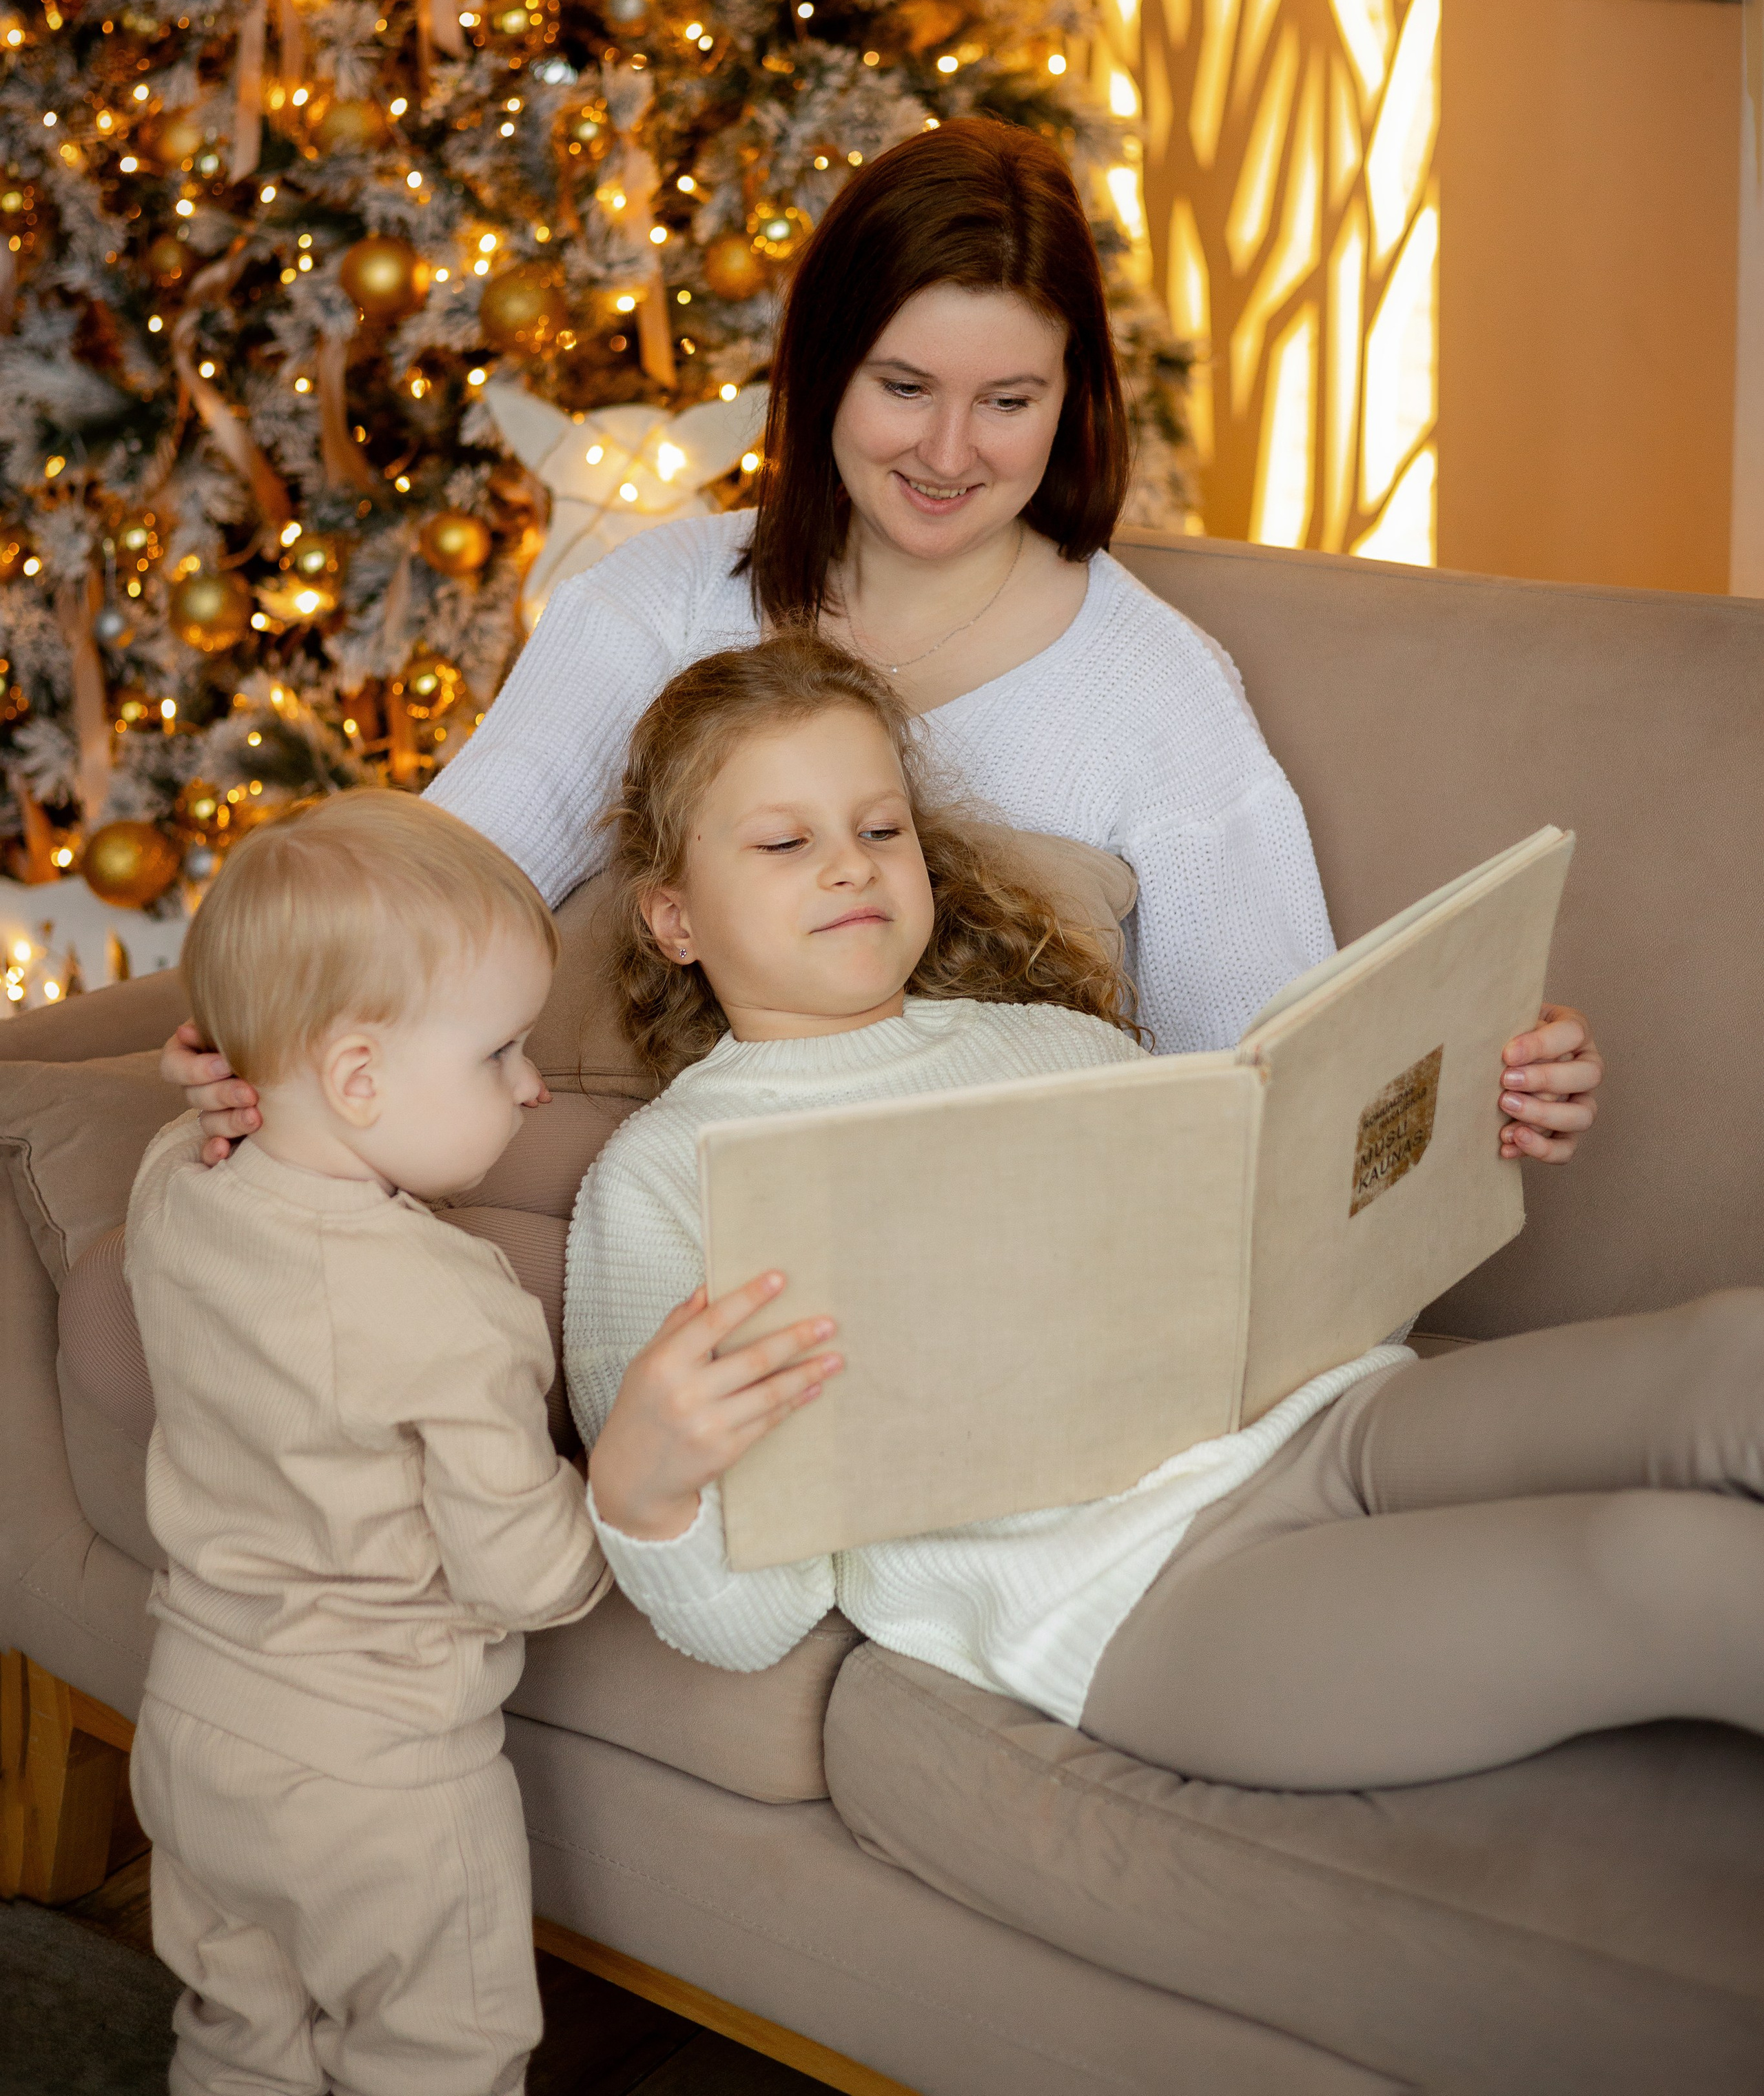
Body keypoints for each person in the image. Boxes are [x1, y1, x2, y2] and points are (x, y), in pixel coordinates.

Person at [159, 118, 1601, 1159]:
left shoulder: (1153, 687)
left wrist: (1473, 1082)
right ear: (819, 369)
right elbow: (438, 880)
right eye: (903, 385)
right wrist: (261, 1019)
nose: (950, 453)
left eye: (1009, 400)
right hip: (603, 1210)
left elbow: (1274, 1061)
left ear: (1072, 398)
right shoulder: (656, 602)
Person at [566, 635, 1764, 1793]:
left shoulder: (1056, 1041)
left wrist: (1473, 1109)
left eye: (882, 829)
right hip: (1143, 1597)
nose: (850, 864)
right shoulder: (669, 1176)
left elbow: (1287, 1252)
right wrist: (644, 1488)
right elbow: (755, 1621)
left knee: (1733, 1353)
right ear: (673, 919)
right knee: (1667, 1571)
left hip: (1332, 1418)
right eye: (785, 842)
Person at [126, 790, 608, 2096]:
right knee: (437, 2059)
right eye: (501, 1051)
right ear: (355, 1078)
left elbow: (203, 1117)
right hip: (378, 1778)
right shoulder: (451, 1305)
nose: (533, 1083)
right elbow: (532, 1578)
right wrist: (631, 1483)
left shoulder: (176, 1181)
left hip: (192, 1728)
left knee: (240, 2033)